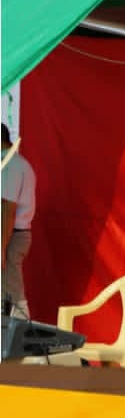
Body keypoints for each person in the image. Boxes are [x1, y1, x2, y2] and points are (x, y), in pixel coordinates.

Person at [2, 124, 35, 320]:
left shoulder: (10, 165)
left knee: (12, 293)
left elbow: (7, 209)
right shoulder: (17, 164)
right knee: (6, 292)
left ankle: (24, 330)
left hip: (11, 235)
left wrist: (1, 247)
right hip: (12, 234)